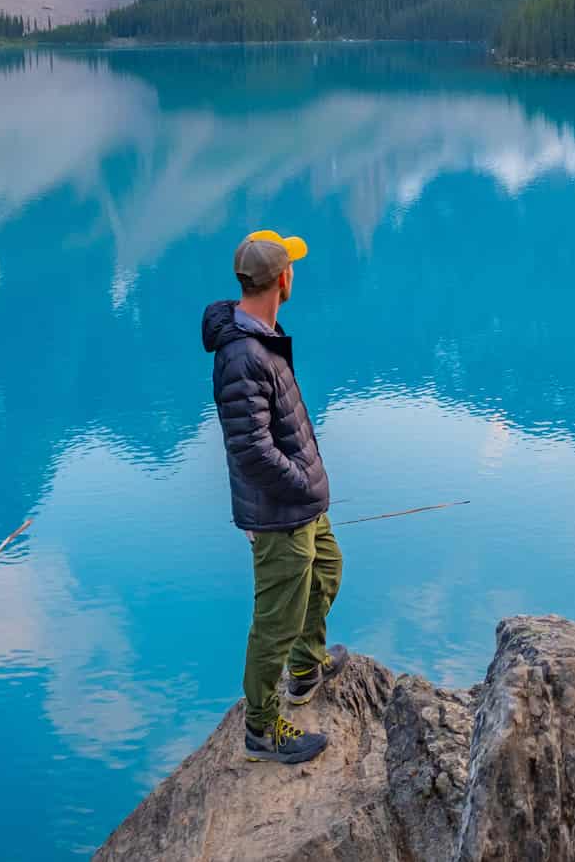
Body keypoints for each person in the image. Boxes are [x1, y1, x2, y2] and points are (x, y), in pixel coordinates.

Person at [201, 229, 346, 765]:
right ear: (282, 279)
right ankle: (262, 728)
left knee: (327, 569)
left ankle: (306, 668)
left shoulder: (262, 333)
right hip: (282, 509)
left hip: (299, 505)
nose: (295, 275)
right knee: (275, 620)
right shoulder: (243, 354)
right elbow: (252, 450)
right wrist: (304, 483)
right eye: (293, 267)